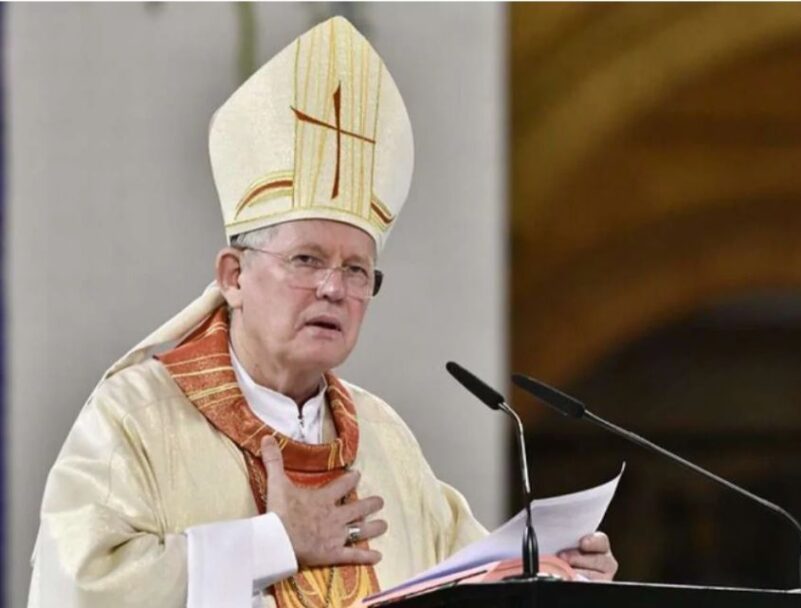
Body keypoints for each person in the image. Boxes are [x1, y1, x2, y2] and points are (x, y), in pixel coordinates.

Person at [28, 15, 617, 608]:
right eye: (307, 260)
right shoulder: (137, 418)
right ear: (234, 276)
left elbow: (468, 581)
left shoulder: (384, 440)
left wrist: (556, 574)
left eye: (357, 270)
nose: (334, 288)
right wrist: (269, 545)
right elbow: (80, 588)